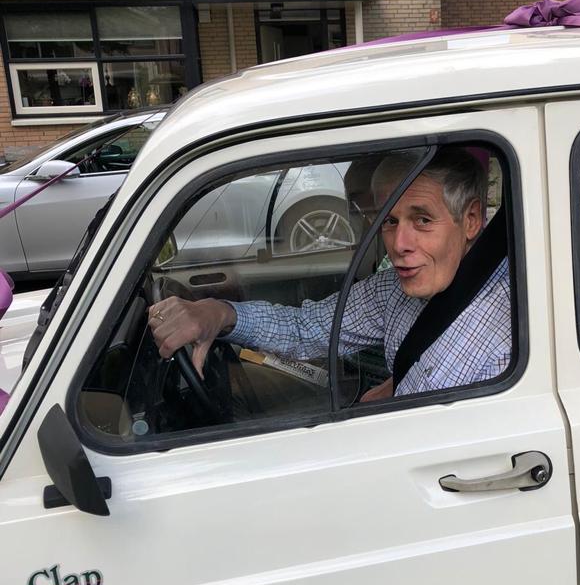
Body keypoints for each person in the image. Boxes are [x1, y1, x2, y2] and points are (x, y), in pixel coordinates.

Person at [149, 147, 512, 401]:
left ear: (471, 220)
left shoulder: (513, 333)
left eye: (422, 220)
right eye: (388, 221)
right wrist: (219, 313)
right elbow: (307, 328)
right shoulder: (392, 291)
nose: (399, 244)